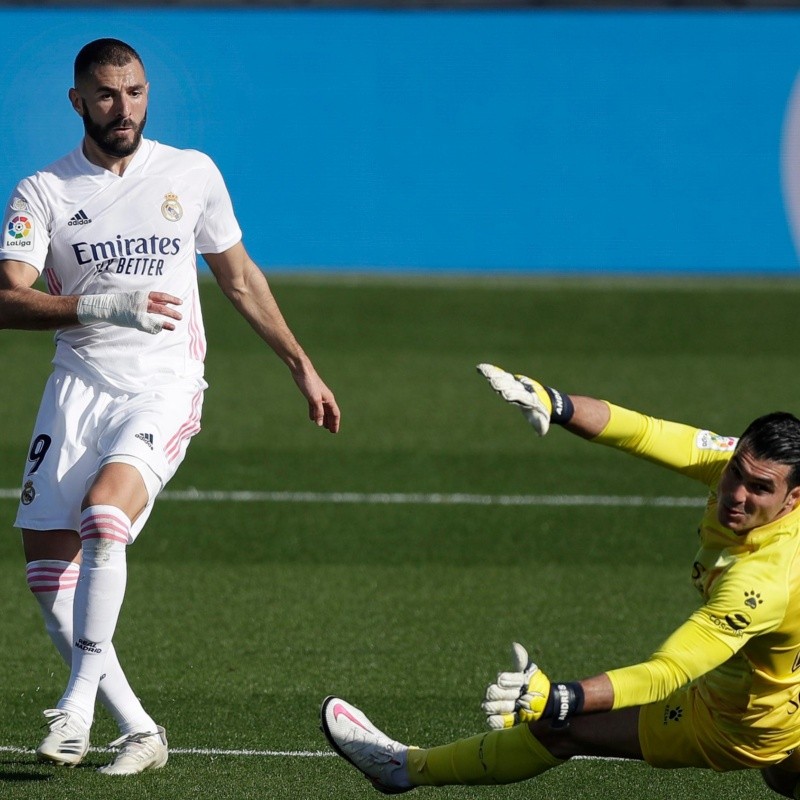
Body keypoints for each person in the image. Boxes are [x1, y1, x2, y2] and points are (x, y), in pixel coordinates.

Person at [0, 38, 340, 775]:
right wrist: (99, 304)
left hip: (164, 384)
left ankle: (78, 706)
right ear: (77, 102)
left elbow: (240, 277)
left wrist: (301, 365)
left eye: (135, 92)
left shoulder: (191, 174)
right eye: (106, 94)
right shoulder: (44, 191)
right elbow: (7, 300)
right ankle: (141, 731)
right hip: (77, 389)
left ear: (147, 94)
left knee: (104, 515)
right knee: (45, 576)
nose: (122, 108)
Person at [320, 363, 800, 798]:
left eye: (759, 489)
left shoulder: (760, 582)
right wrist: (557, 403)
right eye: (736, 471)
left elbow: (668, 672)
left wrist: (561, 699)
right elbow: (645, 432)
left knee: (560, 729)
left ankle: (403, 769)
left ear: (791, 498)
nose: (735, 494)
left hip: (737, 721)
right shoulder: (741, 468)